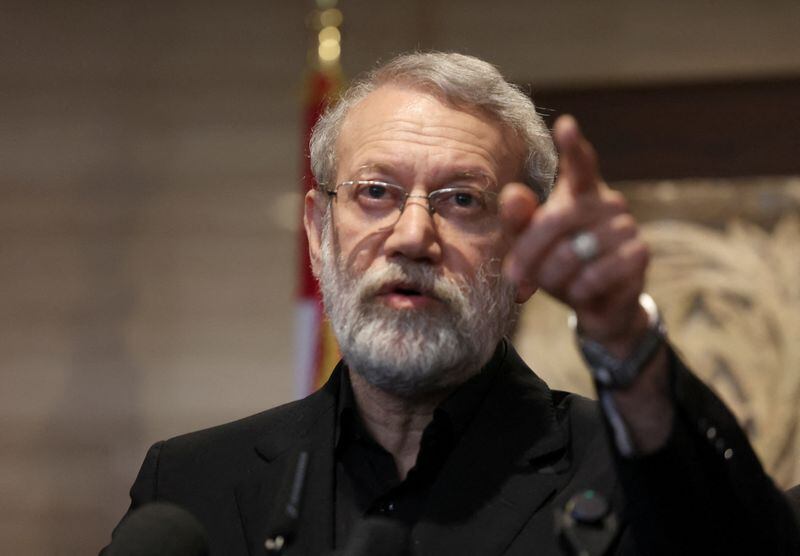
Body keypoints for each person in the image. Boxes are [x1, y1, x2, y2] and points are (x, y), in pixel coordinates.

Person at [104, 52, 800, 555]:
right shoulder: (193, 488)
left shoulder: (626, 480)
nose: (412, 236)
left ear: (524, 256)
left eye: (462, 201)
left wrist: (627, 341)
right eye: (376, 192)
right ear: (317, 233)